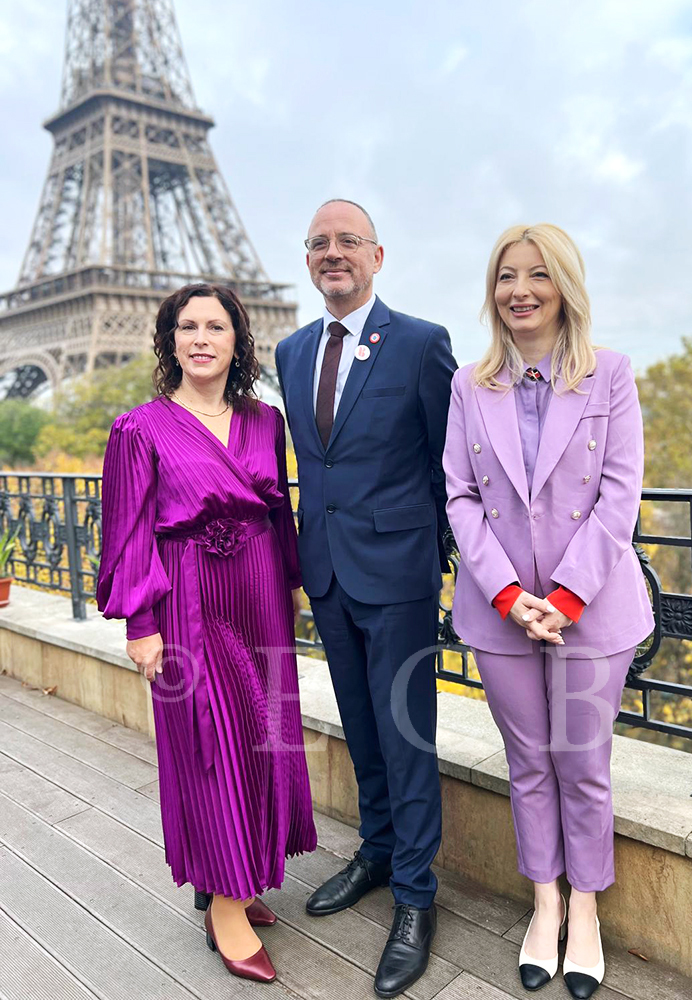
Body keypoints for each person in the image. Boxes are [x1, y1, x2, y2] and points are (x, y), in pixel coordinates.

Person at [443, 224, 654, 998]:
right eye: (506, 275)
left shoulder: (611, 375)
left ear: (564, 286)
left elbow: (619, 496)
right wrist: (506, 594)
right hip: (499, 610)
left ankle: (585, 909)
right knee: (528, 761)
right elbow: (459, 497)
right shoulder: (469, 385)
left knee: (582, 763)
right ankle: (545, 903)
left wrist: (563, 598)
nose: (520, 290)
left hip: (589, 611)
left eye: (537, 274)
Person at [96, 283, 316, 985]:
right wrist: (141, 622)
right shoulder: (138, 428)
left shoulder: (265, 420)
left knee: (263, 735)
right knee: (208, 745)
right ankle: (224, 901)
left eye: (214, 327)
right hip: (187, 597)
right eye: (186, 326)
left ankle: (242, 875)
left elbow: (278, 514)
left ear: (235, 340)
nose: (200, 338)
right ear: (170, 340)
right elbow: (129, 529)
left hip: (260, 593)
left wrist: (290, 587)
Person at [275, 199, 457, 998]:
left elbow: (450, 463)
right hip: (326, 571)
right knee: (360, 727)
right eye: (319, 243)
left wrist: (434, 558)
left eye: (347, 241)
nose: (333, 253)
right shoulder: (290, 351)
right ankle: (378, 853)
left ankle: (416, 895)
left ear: (376, 256)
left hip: (398, 576)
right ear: (307, 259)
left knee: (406, 734)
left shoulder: (419, 342)